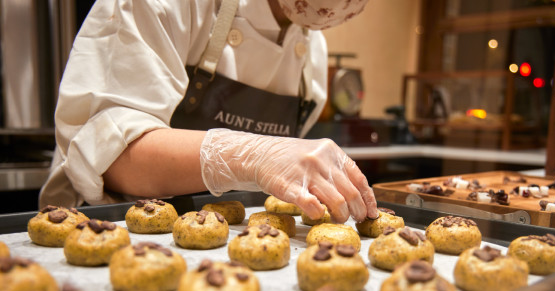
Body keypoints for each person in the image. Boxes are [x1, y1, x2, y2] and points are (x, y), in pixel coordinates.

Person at [40, 0, 378, 223]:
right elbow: (108, 157)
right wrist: (252, 155)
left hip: (238, 255)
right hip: (116, 231)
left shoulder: (312, 48)